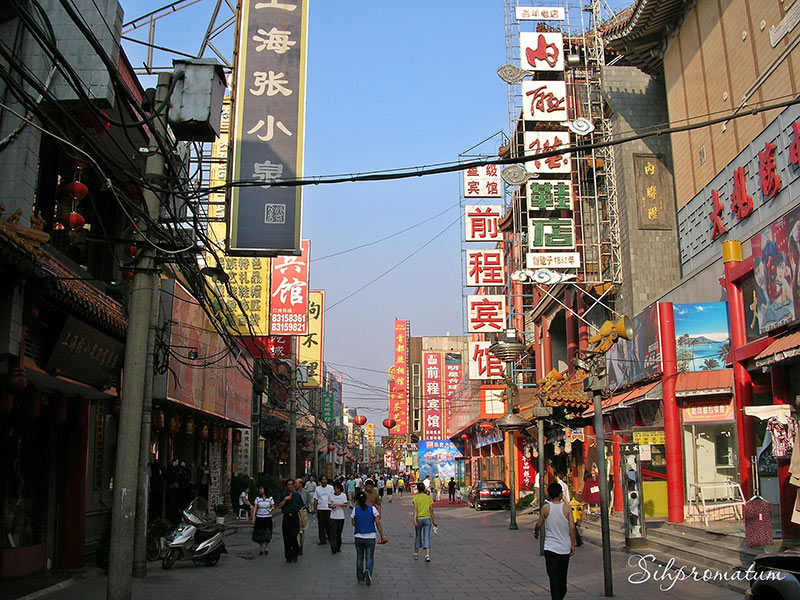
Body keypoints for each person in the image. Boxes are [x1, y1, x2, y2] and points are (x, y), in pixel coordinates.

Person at [534, 483, 577, 600]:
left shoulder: (546, 508)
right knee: (562, 577)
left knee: (553, 576)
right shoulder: (567, 508)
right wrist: (572, 544)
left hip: (550, 548)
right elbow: (572, 528)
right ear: (560, 494)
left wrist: (536, 532)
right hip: (564, 548)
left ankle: (556, 597)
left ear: (549, 494)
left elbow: (538, 524)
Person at [351, 491, 386, 585]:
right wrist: (382, 535)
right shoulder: (373, 509)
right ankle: (369, 571)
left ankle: (360, 577)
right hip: (370, 536)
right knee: (369, 557)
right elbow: (378, 523)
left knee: (359, 557)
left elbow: (353, 523)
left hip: (358, 536)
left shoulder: (355, 510)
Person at [277, 479, 304, 562]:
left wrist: (302, 519)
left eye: (292, 484)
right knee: (286, 538)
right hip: (286, 517)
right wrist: (285, 499)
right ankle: (288, 556)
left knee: (293, 536)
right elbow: (279, 506)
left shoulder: (297, 495)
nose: (290, 486)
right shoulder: (283, 495)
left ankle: (295, 553)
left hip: (294, 517)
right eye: (288, 485)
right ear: (286, 486)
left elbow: (300, 508)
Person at [412, 482, 436, 562]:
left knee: (418, 535)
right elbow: (431, 510)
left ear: (418, 489)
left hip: (419, 519)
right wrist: (433, 521)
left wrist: (414, 519)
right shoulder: (428, 498)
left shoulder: (416, 498)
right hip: (427, 519)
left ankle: (416, 553)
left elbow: (415, 510)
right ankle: (427, 555)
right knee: (427, 536)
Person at [251, 486, 274, 555]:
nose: (260, 490)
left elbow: (273, 506)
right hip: (259, 517)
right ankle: (261, 548)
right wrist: (253, 517)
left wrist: (271, 509)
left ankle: (266, 547)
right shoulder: (257, 499)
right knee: (259, 533)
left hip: (267, 517)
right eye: (259, 489)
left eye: (261, 489)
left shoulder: (270, 498)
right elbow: (255, 508)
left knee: (267, 532)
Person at [313, 475, 334, 545]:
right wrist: (314, 508)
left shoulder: (331, 488)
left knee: (329, 525)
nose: (324, 481)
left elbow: (333, 497)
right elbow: (316, 499)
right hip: (320, 508)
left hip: (328, 509)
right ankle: (322, 540)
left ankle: (331, 538)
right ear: (320, 481)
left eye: (325, 480)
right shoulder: (317, 489)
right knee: (321, 525)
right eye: (322, 480)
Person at [328, 481, 348, 553]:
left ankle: (338, 546)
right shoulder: (331, 496)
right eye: (335, 488)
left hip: (341, 517)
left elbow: (345, 505)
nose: (336, 490)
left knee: (339, 532)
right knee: (333, 532)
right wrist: (332, 506)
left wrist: (338, 504)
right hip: (333, 516)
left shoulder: (343, 495)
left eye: (337, 488)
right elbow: (329, 505)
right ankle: (333, 547)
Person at [295, 478, 308, 555]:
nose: (295, 485)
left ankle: (301, 546)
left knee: (301, 531)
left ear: (300, 484)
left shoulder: (305, 493)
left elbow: (307, 502)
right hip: (294, 512)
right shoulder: (292, 492)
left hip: (302, 512)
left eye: (296, 483)